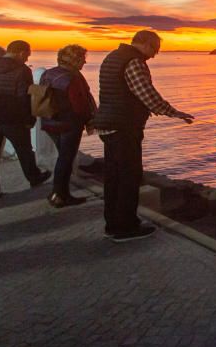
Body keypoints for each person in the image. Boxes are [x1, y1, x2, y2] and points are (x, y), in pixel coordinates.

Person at [92, 30, 193, 241]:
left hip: (109, 124)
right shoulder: (133, 61)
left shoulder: (112, 57)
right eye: (154, 49)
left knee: (114, 178)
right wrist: (174, 113)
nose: (154, 55)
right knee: (129, 177)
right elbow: (147, 94)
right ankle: (125, 227)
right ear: (145, 44)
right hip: (123, 126)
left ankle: (114, 223)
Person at [0, 40, 51, 201]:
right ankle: (34, 177)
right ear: (21, 53)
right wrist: (29, 119)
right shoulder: (22, 70)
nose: (27, 59)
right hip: (11, 118)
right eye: (27, 55)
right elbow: (24, 98)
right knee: (24, 150)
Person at [40, 45, 96, 208]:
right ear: (75, 59)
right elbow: (80, 105)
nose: (84, 62)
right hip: (68, 124)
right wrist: (90, 120)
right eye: (82, 58)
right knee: (65, 159)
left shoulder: (48, 73)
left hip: (50, 122)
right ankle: (60, 195)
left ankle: (59, 193)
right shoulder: (72, 77)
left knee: (63, 158)